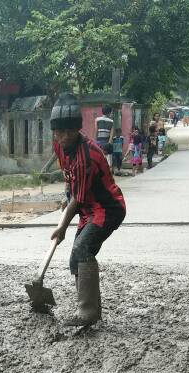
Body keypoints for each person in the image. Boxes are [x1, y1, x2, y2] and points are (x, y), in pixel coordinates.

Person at [48, 93, 126, 328]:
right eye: (56, 132)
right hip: (88, 209)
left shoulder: (87, 155)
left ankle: (88, 312)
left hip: (107, 208)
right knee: (76, 258)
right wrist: (67, 194)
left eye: (62, 132)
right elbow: (70, 178)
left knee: (82, 248)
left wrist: (61, 227)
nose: (58, 137)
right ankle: (89, 308)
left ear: (73, 131)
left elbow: (79, 198)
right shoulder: (60, 146)